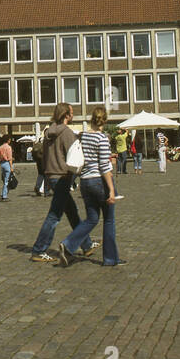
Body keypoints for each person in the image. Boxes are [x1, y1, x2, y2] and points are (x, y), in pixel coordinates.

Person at [56, 105, 121, 267]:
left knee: (91, 218)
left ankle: (69, 243)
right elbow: (104, 167)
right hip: (99, 181)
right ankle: (111, 258)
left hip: (85, 182)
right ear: (104, 121)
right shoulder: (102, 138)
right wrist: (111, 190)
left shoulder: (83, 137)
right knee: (108, 220)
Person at [29, 103, 93, 262]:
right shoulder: (67, 133)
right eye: (71, 113)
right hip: (63, 176)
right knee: (54, 215)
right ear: (66, 115)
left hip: (51, 175)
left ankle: (86, 245)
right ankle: (39, 249)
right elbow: (75, 158)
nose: (73, 115)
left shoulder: (48, 133)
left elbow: (43, 158)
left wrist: (47, 174)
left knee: (71, 211)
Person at [0, 134, 14, 202]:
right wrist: (11, 167)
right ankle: (4, 196)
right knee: (7, 181)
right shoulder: (8, 147)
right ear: (8, 140)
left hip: (2, 163)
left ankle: (2, 194)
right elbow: (10, 158)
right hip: (7, 164)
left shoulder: (0, 148)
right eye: (9, 139)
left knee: (4, 180)